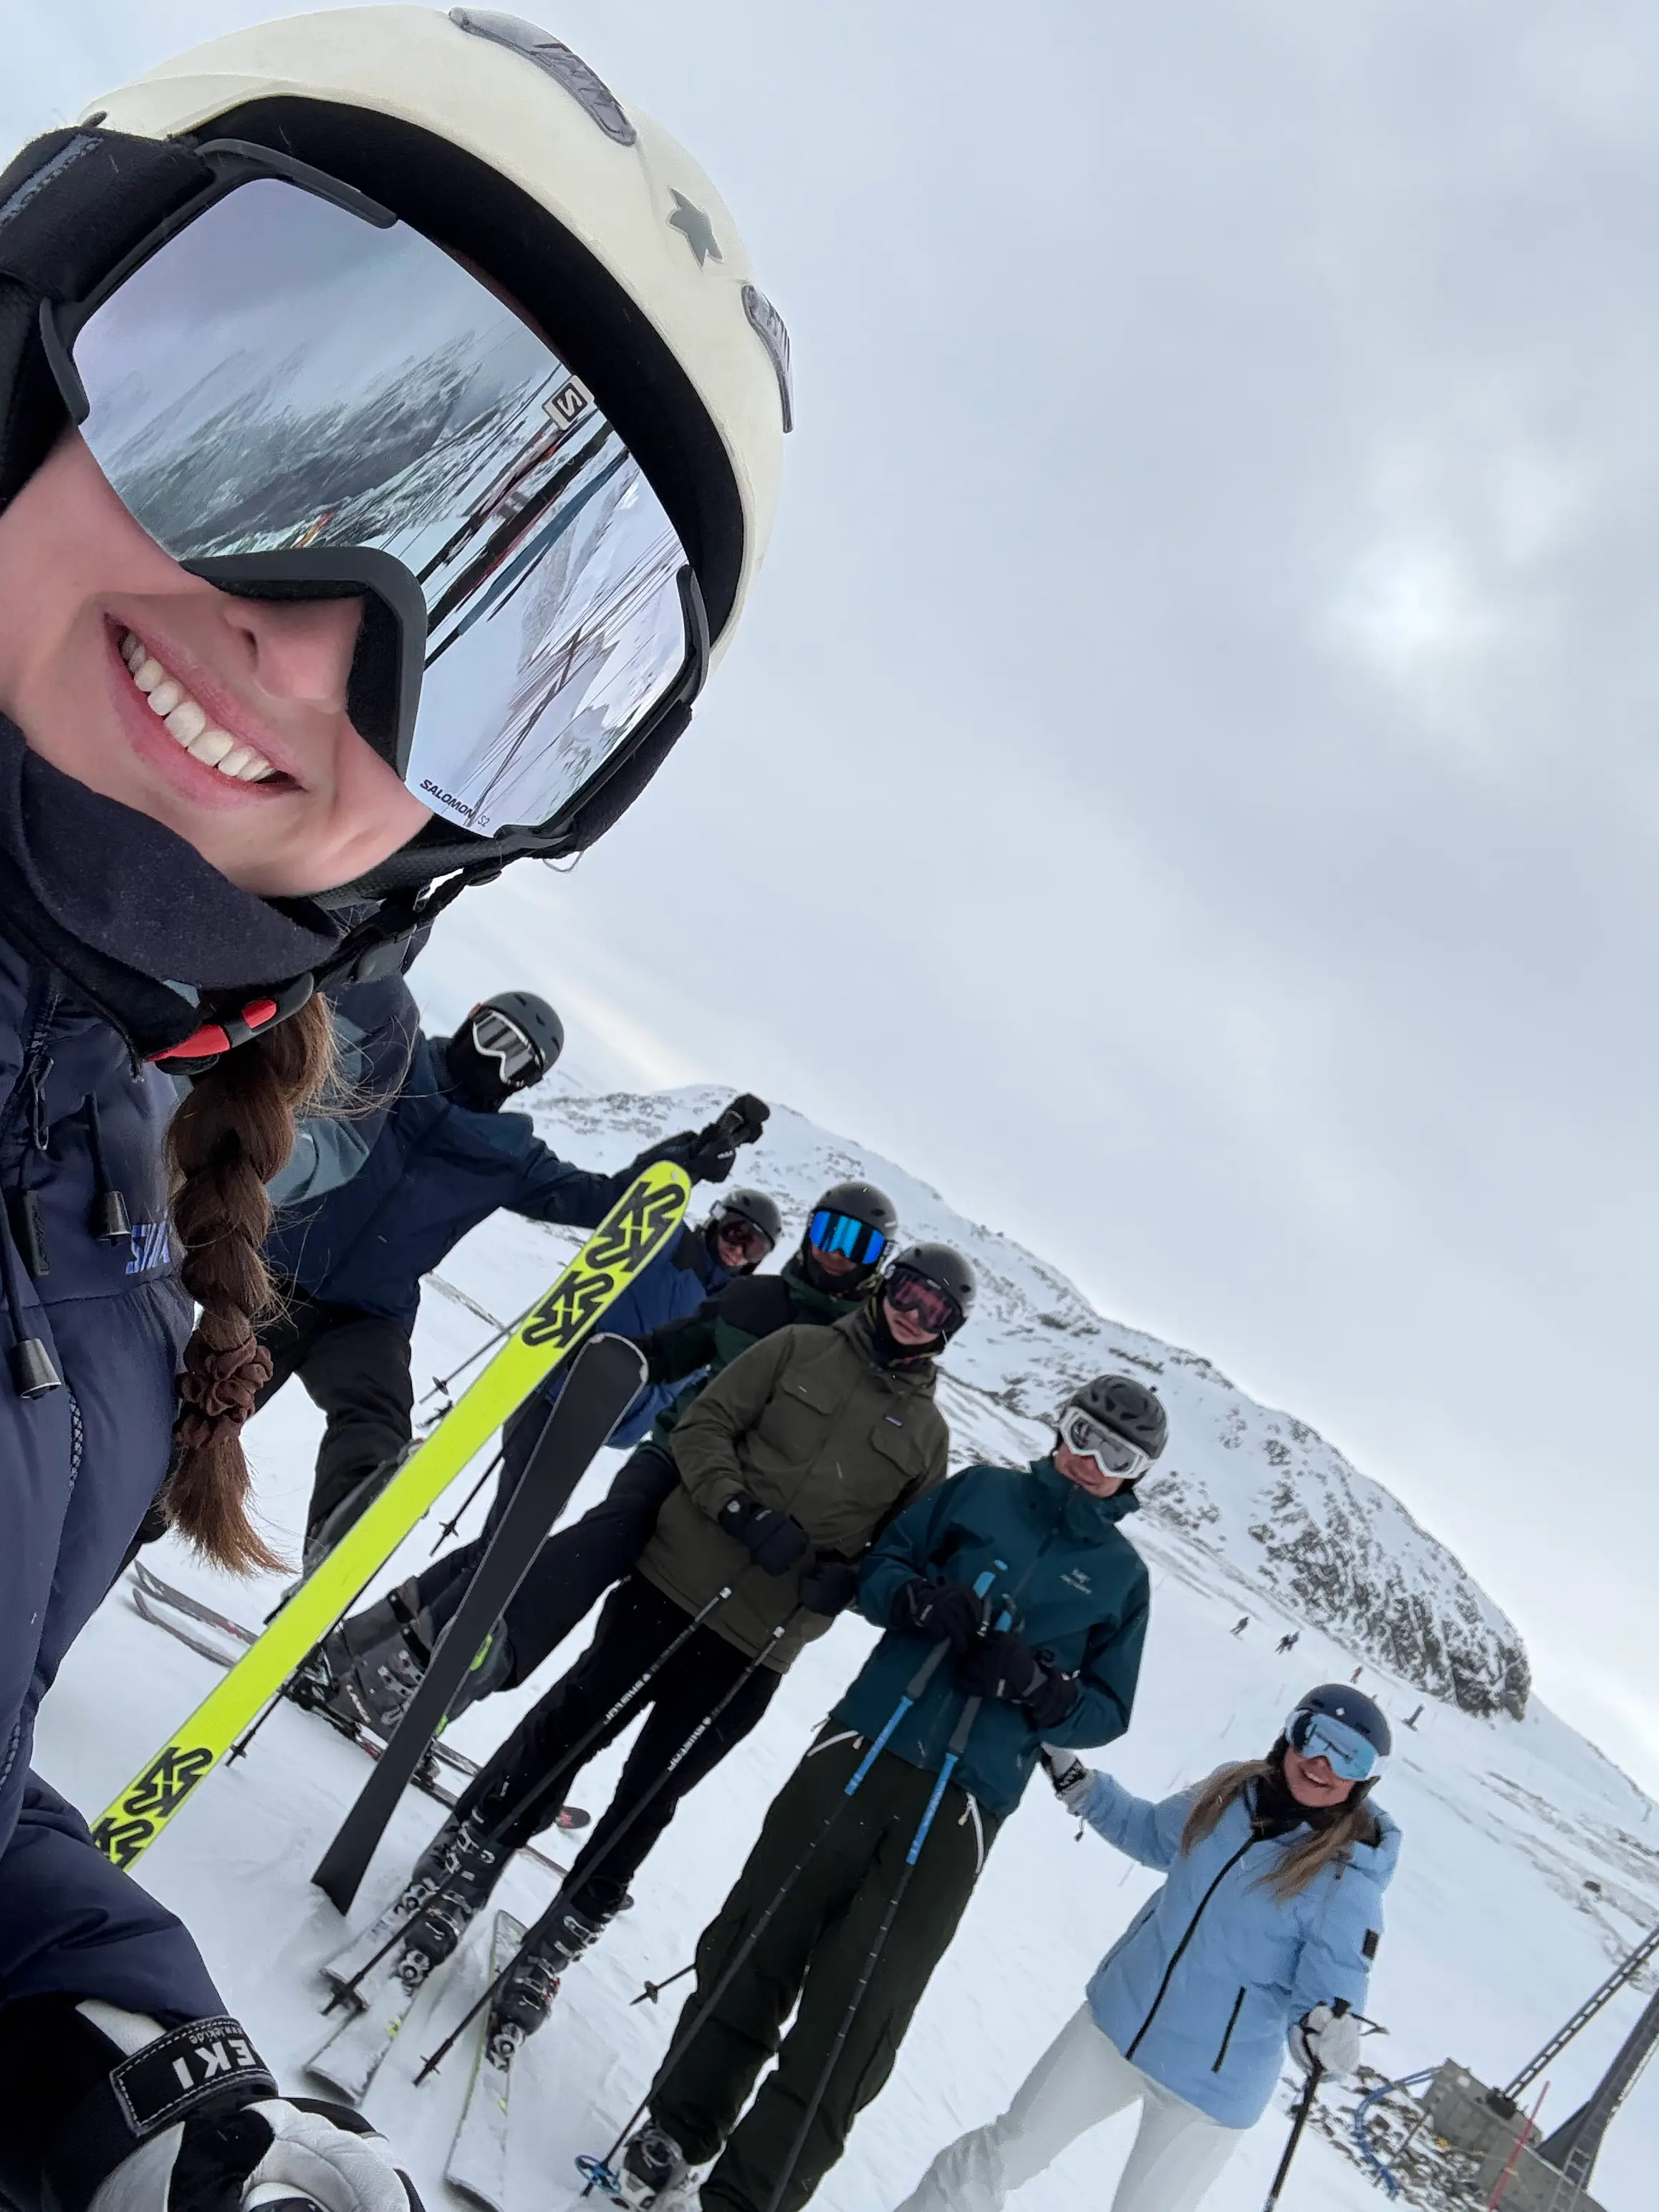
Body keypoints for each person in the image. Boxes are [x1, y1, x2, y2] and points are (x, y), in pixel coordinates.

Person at [0, 6, 787, 2206]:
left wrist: (137, 2100)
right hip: (284, 1288)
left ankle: (362, 1584)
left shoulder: (98, 1233)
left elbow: (548, 1186)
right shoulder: (309, 1120)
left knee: (352, 1416)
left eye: (523, 667)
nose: (320, 649)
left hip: (267, 1309)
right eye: (245, 427)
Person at [387, 1241, 977, 2053]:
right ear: (886, 1287)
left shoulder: (927, 1438)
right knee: (572, 1726)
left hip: (758, 1644)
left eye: (934, 1310)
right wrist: (735, 1509)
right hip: (670, 1580)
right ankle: (469, 1859)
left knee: (653, 1792)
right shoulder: (797, 1348)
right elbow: (704, 1425)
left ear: (948, 1330)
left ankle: (558, 1941)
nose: (913, 1314)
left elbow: (899, 1551)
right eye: (908, 1293)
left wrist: (849, 1582)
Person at [617, 1372, 1165, 2212]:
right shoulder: (981, 1492)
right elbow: (882, 1568)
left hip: (964, 1803)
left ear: (1137, 1475)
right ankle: (680, 2127)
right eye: (1082, 1434)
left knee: (859, 2007)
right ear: (1060, 1427)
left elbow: (1106, 1710)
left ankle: (751, 2195)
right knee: (758, 1934)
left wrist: (1039, 1686)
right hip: (862, 1744)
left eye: (1116, 1455)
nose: (1090, 1461)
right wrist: (915, 1597)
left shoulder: (1122, 1578)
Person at [317, 1180, 895, 1733]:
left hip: (688, 1479)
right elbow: (660, 1335)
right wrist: (600, 1356)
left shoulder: (852, 1346)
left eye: (859, 1244)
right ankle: (407, 1668)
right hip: (631, 1440)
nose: (837, 1253)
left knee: (517, 1555)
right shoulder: (732, 1287)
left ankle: (370, 1648)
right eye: (829, 1232)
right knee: (548, 1553)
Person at [256, 966, 768, 1550]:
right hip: (279, 1275)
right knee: (213, 1395)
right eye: (495, 1037)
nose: (496, 1062)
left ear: (527, 1083)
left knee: (378, 1415)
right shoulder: (394, 1064)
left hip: (367, 1316)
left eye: (518, 1063)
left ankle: (345, 1528)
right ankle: (167, 1472)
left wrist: (688, 1159)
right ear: (474, 1016)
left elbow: (601, 1200)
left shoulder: (509, 1156)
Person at [890, 1686, 1400, 2212]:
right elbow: (1152, 1836)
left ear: (1365, 1779)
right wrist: (1081, 1786)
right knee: (995, 2159)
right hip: (1119, 2020)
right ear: (1289, 1736)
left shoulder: (1348, 1881)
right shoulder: (1230, 1794)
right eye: (1314, 1738)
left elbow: (1328, 1998)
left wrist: (1325, 2034)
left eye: (1349, 1758)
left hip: (1210, 2091)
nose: (1322, 1764)